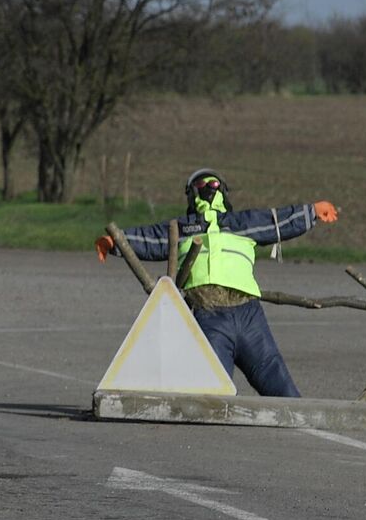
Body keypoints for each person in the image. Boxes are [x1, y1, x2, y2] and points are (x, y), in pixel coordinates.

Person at [96, 168, 340, 397]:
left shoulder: (243, 223)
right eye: (200, 184)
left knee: (280, 385)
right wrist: (114, 242)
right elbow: (149, 239)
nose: (208, 188)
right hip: (208, 314)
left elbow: (280, 220)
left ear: (223, 190)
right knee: (212, 393)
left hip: (248, 314)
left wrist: (311, 212)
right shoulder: (181, 229)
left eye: (213, 183)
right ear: (191, 193)